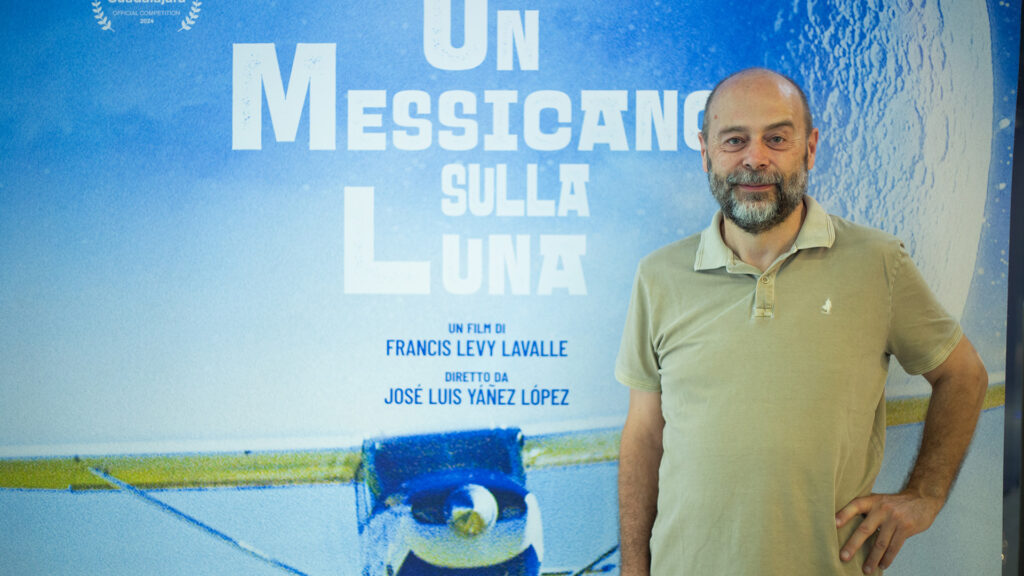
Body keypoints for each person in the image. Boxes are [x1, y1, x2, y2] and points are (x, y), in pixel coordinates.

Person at [615, 67, 988, 575]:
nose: (755, 158)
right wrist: (635, 569)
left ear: (809, 148)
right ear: (705, 151)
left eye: (777, 138)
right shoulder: (658, 277)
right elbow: (643, 435)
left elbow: (962, 375)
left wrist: (924, 495)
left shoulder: (879, 262)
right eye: (734, 140)